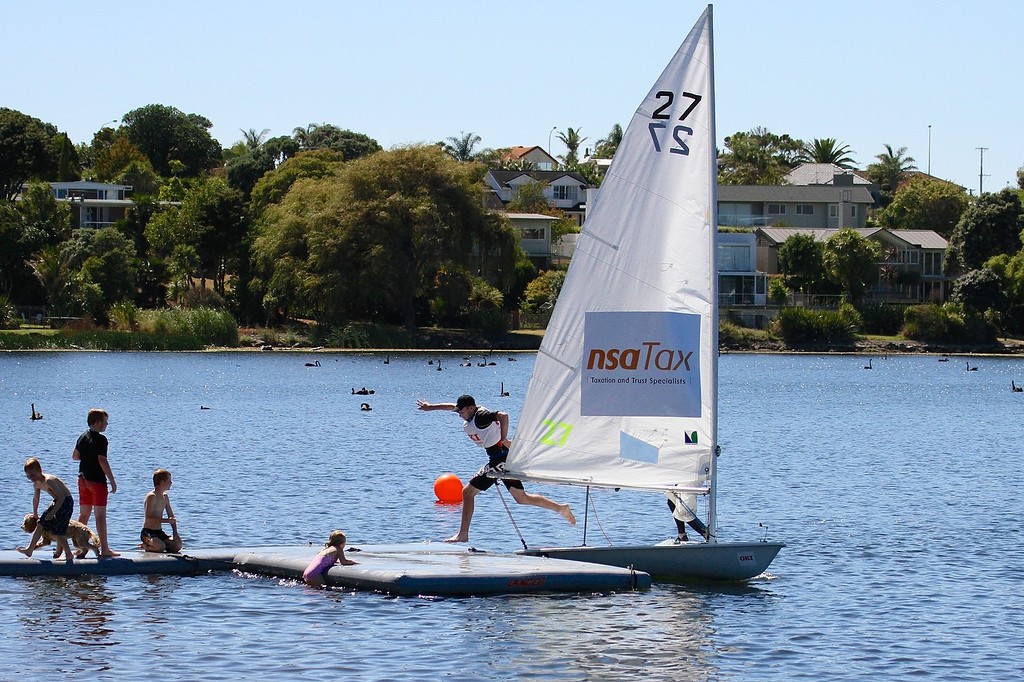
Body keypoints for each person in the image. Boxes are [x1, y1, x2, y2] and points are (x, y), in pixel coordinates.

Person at [417, 394, 576, 542]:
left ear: (471, 408)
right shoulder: (471, 412)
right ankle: (561, 508)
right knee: (521, 498)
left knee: (468, 492)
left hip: (501, 459)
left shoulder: (481, 417)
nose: (459, 414)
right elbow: (450, 406)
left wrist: (503, 438)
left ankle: (463, 534)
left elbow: (503, 415)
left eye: (461, 411)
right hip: (500, 458)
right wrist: (429, 407)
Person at [73, 408, 119, 557]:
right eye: (105, 422)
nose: (106, 425)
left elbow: (75, 456)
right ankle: (105, 549)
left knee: (84, 514)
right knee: (100, 515)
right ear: (98, 422)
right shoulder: (101, 440)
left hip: (83, 480)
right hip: (97, 482)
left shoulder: (82, 437)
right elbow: (102, 460)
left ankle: (78, 547)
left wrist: (87, 457)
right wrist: (112, 480)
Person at [17, 457, 75, 563]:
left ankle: (69, 554)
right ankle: (30, 549)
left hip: (66, 502)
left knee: (58, 530)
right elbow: (36, 499)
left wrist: (52, 512)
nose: (31, 478)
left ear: (40, 471)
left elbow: (62, 497)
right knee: (40, 523)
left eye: (33, 475)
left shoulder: (49, 480)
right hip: (56, 501)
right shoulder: (36, 484)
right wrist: (35, 513)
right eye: (28, 476)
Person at [141, 469, 182, 553]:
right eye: (169, 480)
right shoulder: (152, 496)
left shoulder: (165, 497)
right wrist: (166, 521)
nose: (171, 483)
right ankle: (146, 545)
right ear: (161, 482)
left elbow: (171, 516)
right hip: (148, 532)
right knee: (160, 547)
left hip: (159, 532)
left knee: (177, 546)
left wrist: (175, 533)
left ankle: (157, 543)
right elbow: (149, 518)